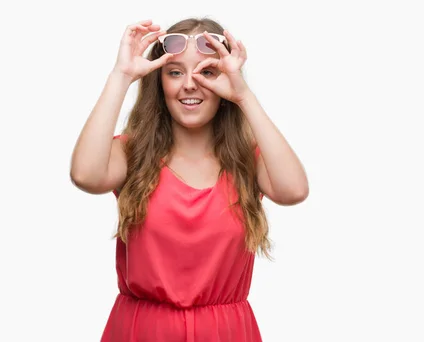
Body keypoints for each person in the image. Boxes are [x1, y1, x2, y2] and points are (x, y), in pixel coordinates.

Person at [70, 17, 309, 342]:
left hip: (225, 332)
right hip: (142, 331)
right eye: (175, 72)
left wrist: (244, 95)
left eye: (207, 72)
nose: (190, 84)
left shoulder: (247, 161)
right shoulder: (131, 153)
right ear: (160, 81)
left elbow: (293, 190)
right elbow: (85, 175)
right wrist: (121, 76)